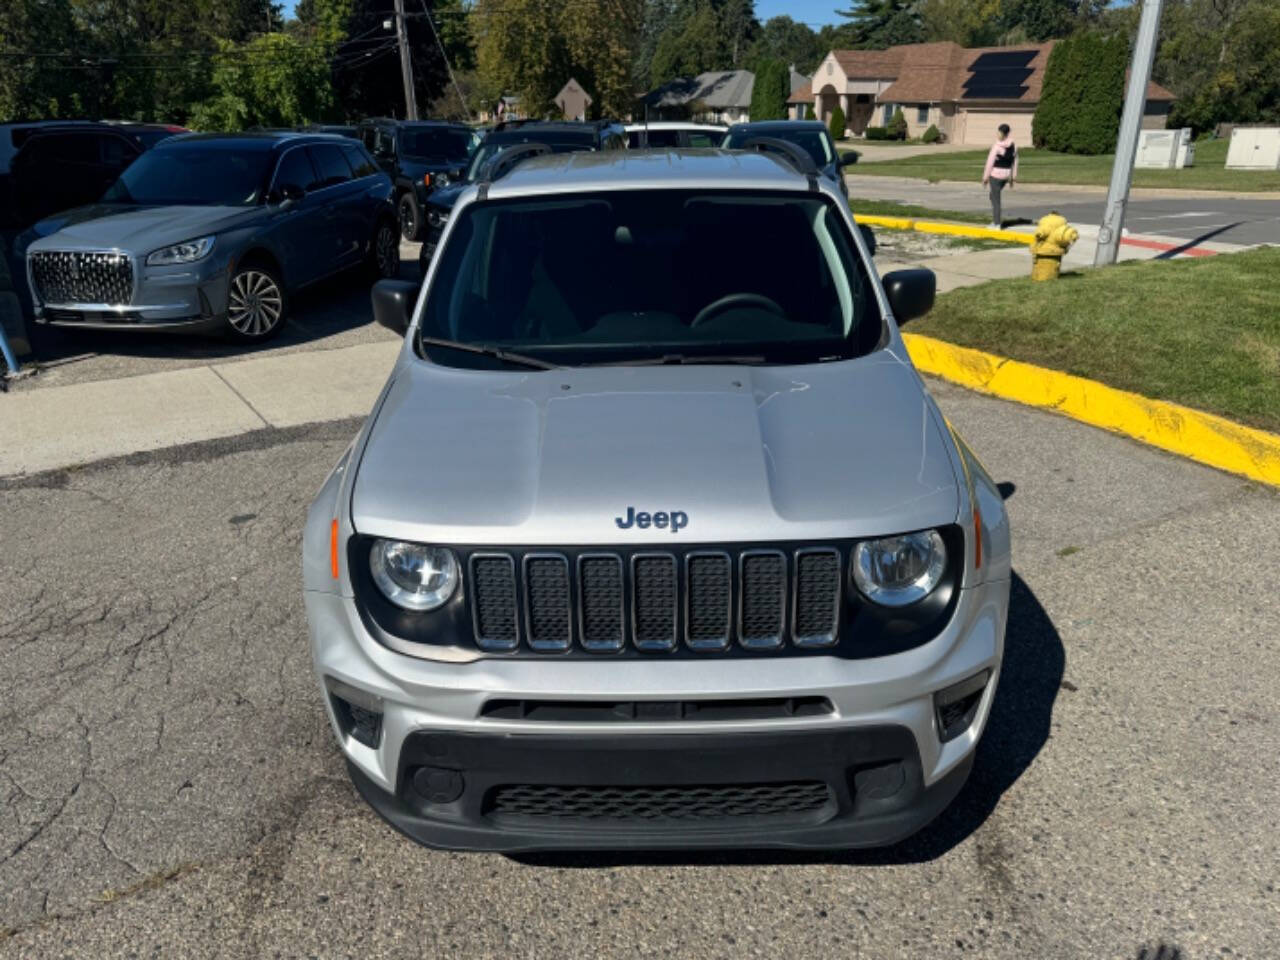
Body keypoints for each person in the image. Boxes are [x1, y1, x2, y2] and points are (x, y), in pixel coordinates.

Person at [982, 123, 1018, 229]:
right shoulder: (1013, 146)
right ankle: (996, 221)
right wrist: (1013, 177)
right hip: (1005, 176)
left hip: (995, 176)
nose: (997, 134)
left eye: (999, 132)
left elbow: (990, 163)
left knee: (996, 200)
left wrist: (985, 178)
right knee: (993, 196)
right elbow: (1015, 162)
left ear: (1002, 133)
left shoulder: (997, 146)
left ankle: (997, 223)